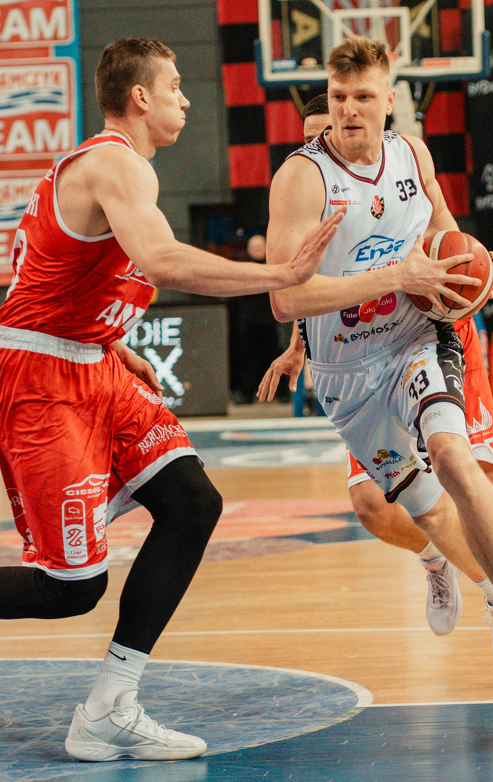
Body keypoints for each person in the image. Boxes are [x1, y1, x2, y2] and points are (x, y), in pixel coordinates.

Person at [0, 38, 343, 763]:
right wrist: (281, 274)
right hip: (43, 381)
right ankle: (107, 709)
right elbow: (162, 261)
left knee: (191, 502)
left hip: (88, 361)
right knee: (69, 589)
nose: (185, 99)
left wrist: (104, 337)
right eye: (175, 85)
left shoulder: (120, 169)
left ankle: (110, 707)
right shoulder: (115, 163)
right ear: (140, 97)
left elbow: (64, 275)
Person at [266, 37, 493, 695]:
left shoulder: (412, 156)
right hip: (347, 374)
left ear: (390, 101)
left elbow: (443, 234)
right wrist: (385, 281)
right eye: (338, 97)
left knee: (456, 458)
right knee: (411, 512)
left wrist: (472, 269)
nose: (347, 110)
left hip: (417, 338)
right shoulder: (300, 177)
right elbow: (285, 297)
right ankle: (466, 578)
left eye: (362, 97)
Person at [231, 234, 284, 405]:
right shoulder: (243, 268)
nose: (257, 251)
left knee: (275, 356)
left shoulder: (273, 266)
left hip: (270, 320)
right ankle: (247, 393)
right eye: (254, 248)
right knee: (247, 359)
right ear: (248, 249)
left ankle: (282, 392)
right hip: (248, 320)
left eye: (260, 247)